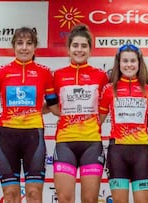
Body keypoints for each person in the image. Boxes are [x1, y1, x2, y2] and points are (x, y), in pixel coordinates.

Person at [0, 27, 58, 202]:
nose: (24, 47)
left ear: (35, 47)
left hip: (33, 137)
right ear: (13, 46)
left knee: (34, 194)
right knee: (10, 196)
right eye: (20, 43)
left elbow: (54, 106)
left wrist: (79, 111)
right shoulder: (0, 73)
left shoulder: (45, 73)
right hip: (6, 137)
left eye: (29, 43)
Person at [51, 24, 108, 202]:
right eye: (75, 45)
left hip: (91, 142)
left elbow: (105, 108)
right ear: (68, 49)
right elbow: (52, 106)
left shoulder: (100, 76)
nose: (79, 50)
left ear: (90, 50)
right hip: (65, 142)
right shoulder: (58, 75)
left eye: (84, 46)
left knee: (90, 200)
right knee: (65, 198)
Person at [99, 44, 148, 203]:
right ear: (118, 63)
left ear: (139, 64)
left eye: (133, 61)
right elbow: (97, 121)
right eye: (125, 61)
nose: (129, 65)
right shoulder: (109, 89)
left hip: (141, 152)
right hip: (117, 152)